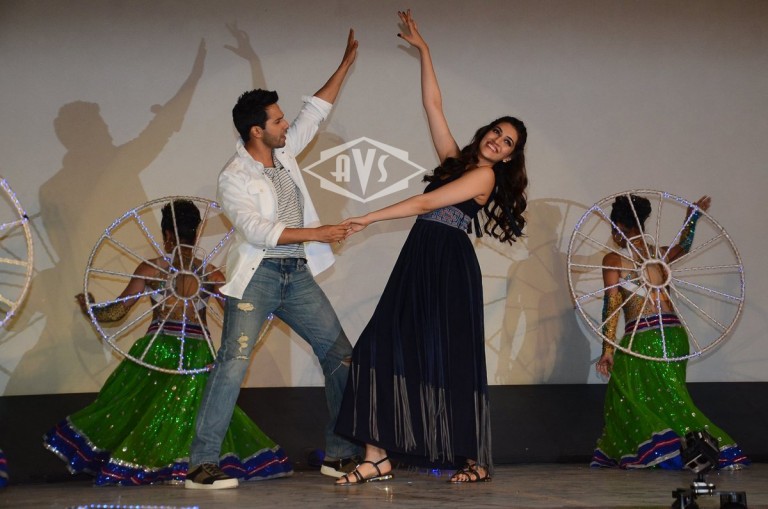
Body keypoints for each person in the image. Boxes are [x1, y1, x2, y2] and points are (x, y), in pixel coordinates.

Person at [334, 10, 528, 485]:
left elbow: (424, 203)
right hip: (420, 257)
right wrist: (424, 50)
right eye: (496, 133)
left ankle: (474, 459)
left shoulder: (483, 178)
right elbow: (434, 107)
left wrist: (368, 217)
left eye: (507, 143)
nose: (497, 142)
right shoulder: (457, 162)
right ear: (485, 132)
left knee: (452, 359)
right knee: (376, 347)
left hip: (448, 265)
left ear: (508, 157)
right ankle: (376, 456)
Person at [185, 30, 361, 490]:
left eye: (284, 119)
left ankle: (340, 453)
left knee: (340, 355)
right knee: (233, 363)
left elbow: (314, 111)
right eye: (278, 121)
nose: (287, 126)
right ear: (256, 131)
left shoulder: (285, 154)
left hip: (296, 275)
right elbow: (255, 230)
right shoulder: (233, 176)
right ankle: (201, 465)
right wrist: (318, 233)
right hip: (258, 277)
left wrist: (345, 65)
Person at [43, 200, 293, 485]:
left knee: (135, 409)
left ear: (167, 235)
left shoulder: (151, 269)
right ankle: (195, 465)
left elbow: (116, 312)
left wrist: (91, 308)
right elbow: (240, 315)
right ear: (196, 233)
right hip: (197, 355)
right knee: (196, 413)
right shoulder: (211, 274)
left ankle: (146, 464)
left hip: (158, 351)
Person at [591, 194, 749, 469]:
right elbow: (683, 246)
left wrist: (608, 350)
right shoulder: (659, 256)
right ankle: (695, 448)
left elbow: (612, 307)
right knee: (672, 397)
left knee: (627, 392)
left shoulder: (614, 260)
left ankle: (690, 450)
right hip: (675, 337)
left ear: (618, 226)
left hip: (645, 336)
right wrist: (691, 218)